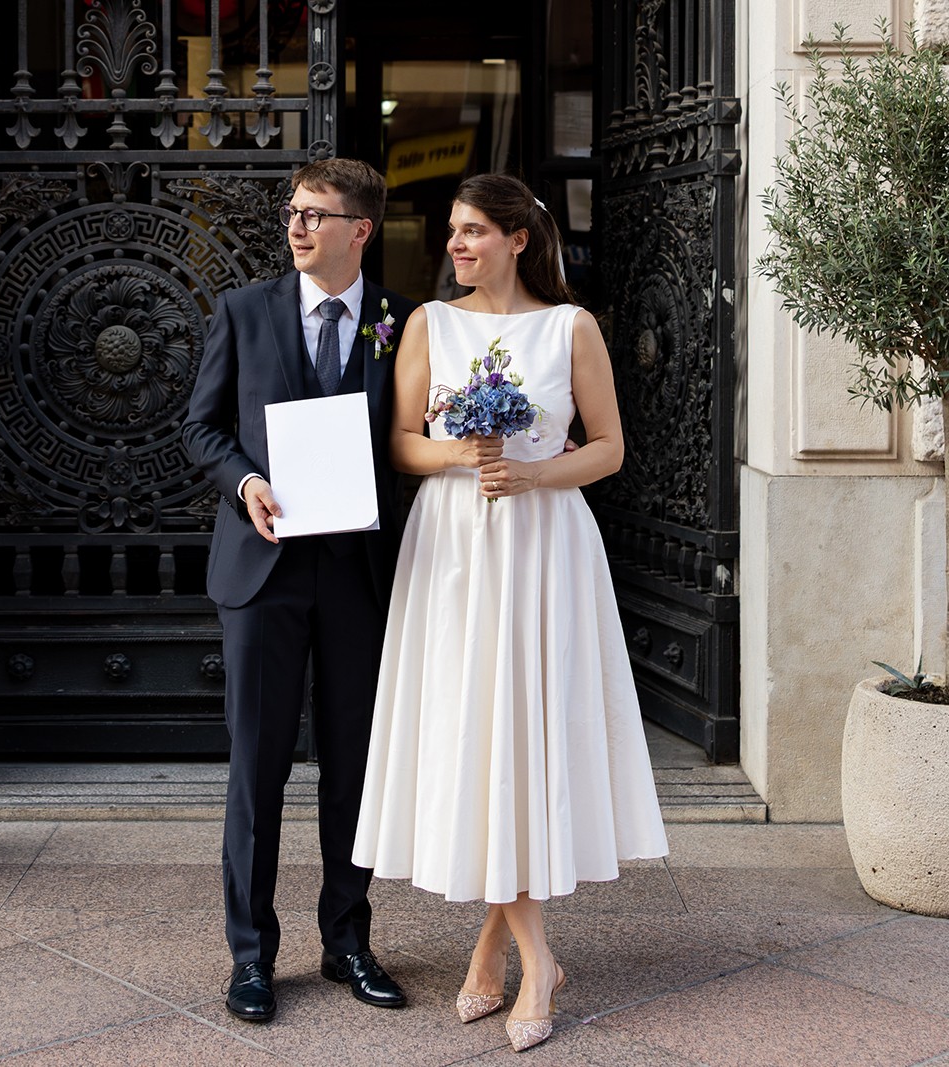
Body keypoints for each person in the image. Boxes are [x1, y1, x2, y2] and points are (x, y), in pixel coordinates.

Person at [351, 174, 669, 1053]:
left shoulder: (573, 328)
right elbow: (403, 443)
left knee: (521, 733)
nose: (456, 245)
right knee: (477, 731)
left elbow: (607, 450)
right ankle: (533, 953)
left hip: (543, 546)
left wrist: (532, 471)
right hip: (455, 546)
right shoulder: (427, 323)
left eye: (474, 231)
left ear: (519, 238)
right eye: (453, 232)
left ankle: (507, 951)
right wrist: (466, 451)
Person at [182, 158, 419, 1024]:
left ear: (361, 229)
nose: (298, 225)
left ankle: (348, 940)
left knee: (354, 766)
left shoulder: (399, 322)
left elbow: (412, 437)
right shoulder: (245, 312)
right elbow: (201, 427)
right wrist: (245, 482)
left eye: (317, 214)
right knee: (258, 769)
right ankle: (251, 955)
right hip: (263, 569)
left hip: (356, 573)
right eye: (294, 211)